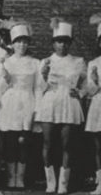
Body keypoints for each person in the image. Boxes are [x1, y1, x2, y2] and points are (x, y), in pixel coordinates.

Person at [36, 19, 87, 194]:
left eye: (66, 41)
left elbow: (85, 86)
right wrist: (43, 76)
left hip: (69, 104)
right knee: (48, 143)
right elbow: (40, 88)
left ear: (70, 43)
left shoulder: (79, 61)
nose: (62, 45)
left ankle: (63, 184)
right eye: (59, 41)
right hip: (50, 103)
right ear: (53, 43)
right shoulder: (45, 62)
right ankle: (51, 182)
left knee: (67, 144)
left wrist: (79, 93)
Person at [0, 23, 42, 189]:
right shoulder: (6, 62)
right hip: (10, 103)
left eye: (25, 42)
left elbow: (38, 87)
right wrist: (6, 80)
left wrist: (37, 108)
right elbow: (0, 88)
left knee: (24, 140)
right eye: (18, 42)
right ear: (13, 44)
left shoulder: (36, 63)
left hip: (27, 101)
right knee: (10, 141)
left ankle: (20, 178)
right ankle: (11, 177)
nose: (21, 45)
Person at [87, 14, 101, 195]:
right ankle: (100, 182)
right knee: (99, 145)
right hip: (99, 104)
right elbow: (91, 91)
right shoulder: (94, 63)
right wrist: (95, 82)